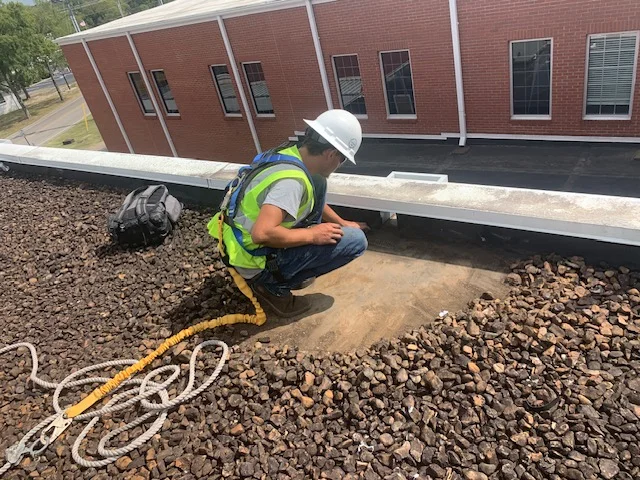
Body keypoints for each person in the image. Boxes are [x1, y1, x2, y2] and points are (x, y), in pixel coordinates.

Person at [208, 109, 369, 318]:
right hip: (256, 260)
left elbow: (307, 198)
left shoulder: (290, 154)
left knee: (319, 181)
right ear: (330, 154)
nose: (340, 165)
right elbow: (262, 234)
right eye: (342, 159)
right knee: (356, 241)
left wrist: (341, 222)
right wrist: (313, 235)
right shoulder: (291, 182)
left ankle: (289, 267)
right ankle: (273, 286)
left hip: (236, 243)